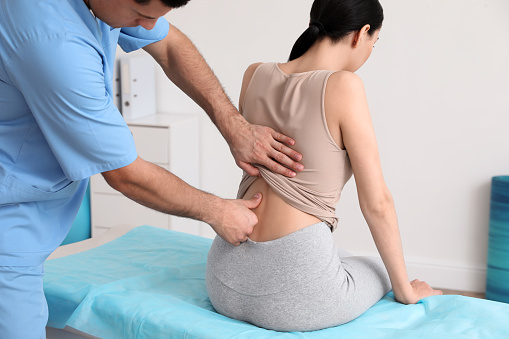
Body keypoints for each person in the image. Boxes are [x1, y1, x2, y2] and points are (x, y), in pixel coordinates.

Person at [0, 0, 305, 337]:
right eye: (142, 16)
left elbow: (171, 46)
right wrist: (216, 211)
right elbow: (125, 173)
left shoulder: (105, 7)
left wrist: (233, 124)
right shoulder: (52, 42)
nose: (147, 27)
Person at [206, 0, 443, 332]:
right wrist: (404, 290)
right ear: (362, 34)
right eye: (375, 41)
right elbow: (377, 203)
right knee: (379, 268)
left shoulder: (255, 73)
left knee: (340, 255)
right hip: (296, 298)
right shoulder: (344, 86)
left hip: (224, 279)